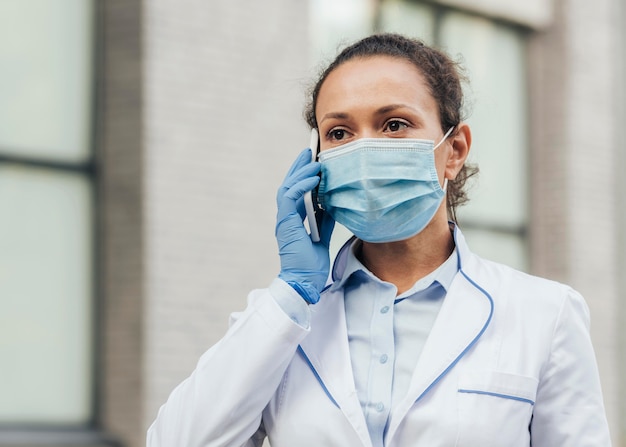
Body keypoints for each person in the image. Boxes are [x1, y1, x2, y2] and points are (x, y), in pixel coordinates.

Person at [146, 33, 611, 446]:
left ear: (454, 151)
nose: (364, 149)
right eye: (340, 132)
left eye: (394, 124)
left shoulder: (544, 315)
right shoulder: (282, 322)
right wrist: (292, 293)